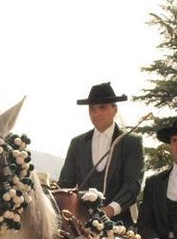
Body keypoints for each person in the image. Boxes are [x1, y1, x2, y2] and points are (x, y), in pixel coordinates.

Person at [58, 82, 144, 226]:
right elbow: (65, 184)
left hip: (119, 224)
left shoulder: (131, 142)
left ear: (114, 109)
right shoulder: (77, 143)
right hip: (81, 224)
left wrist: (110, 210)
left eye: (102, 107)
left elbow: (133, 184)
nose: (96, 113)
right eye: (92, 108)